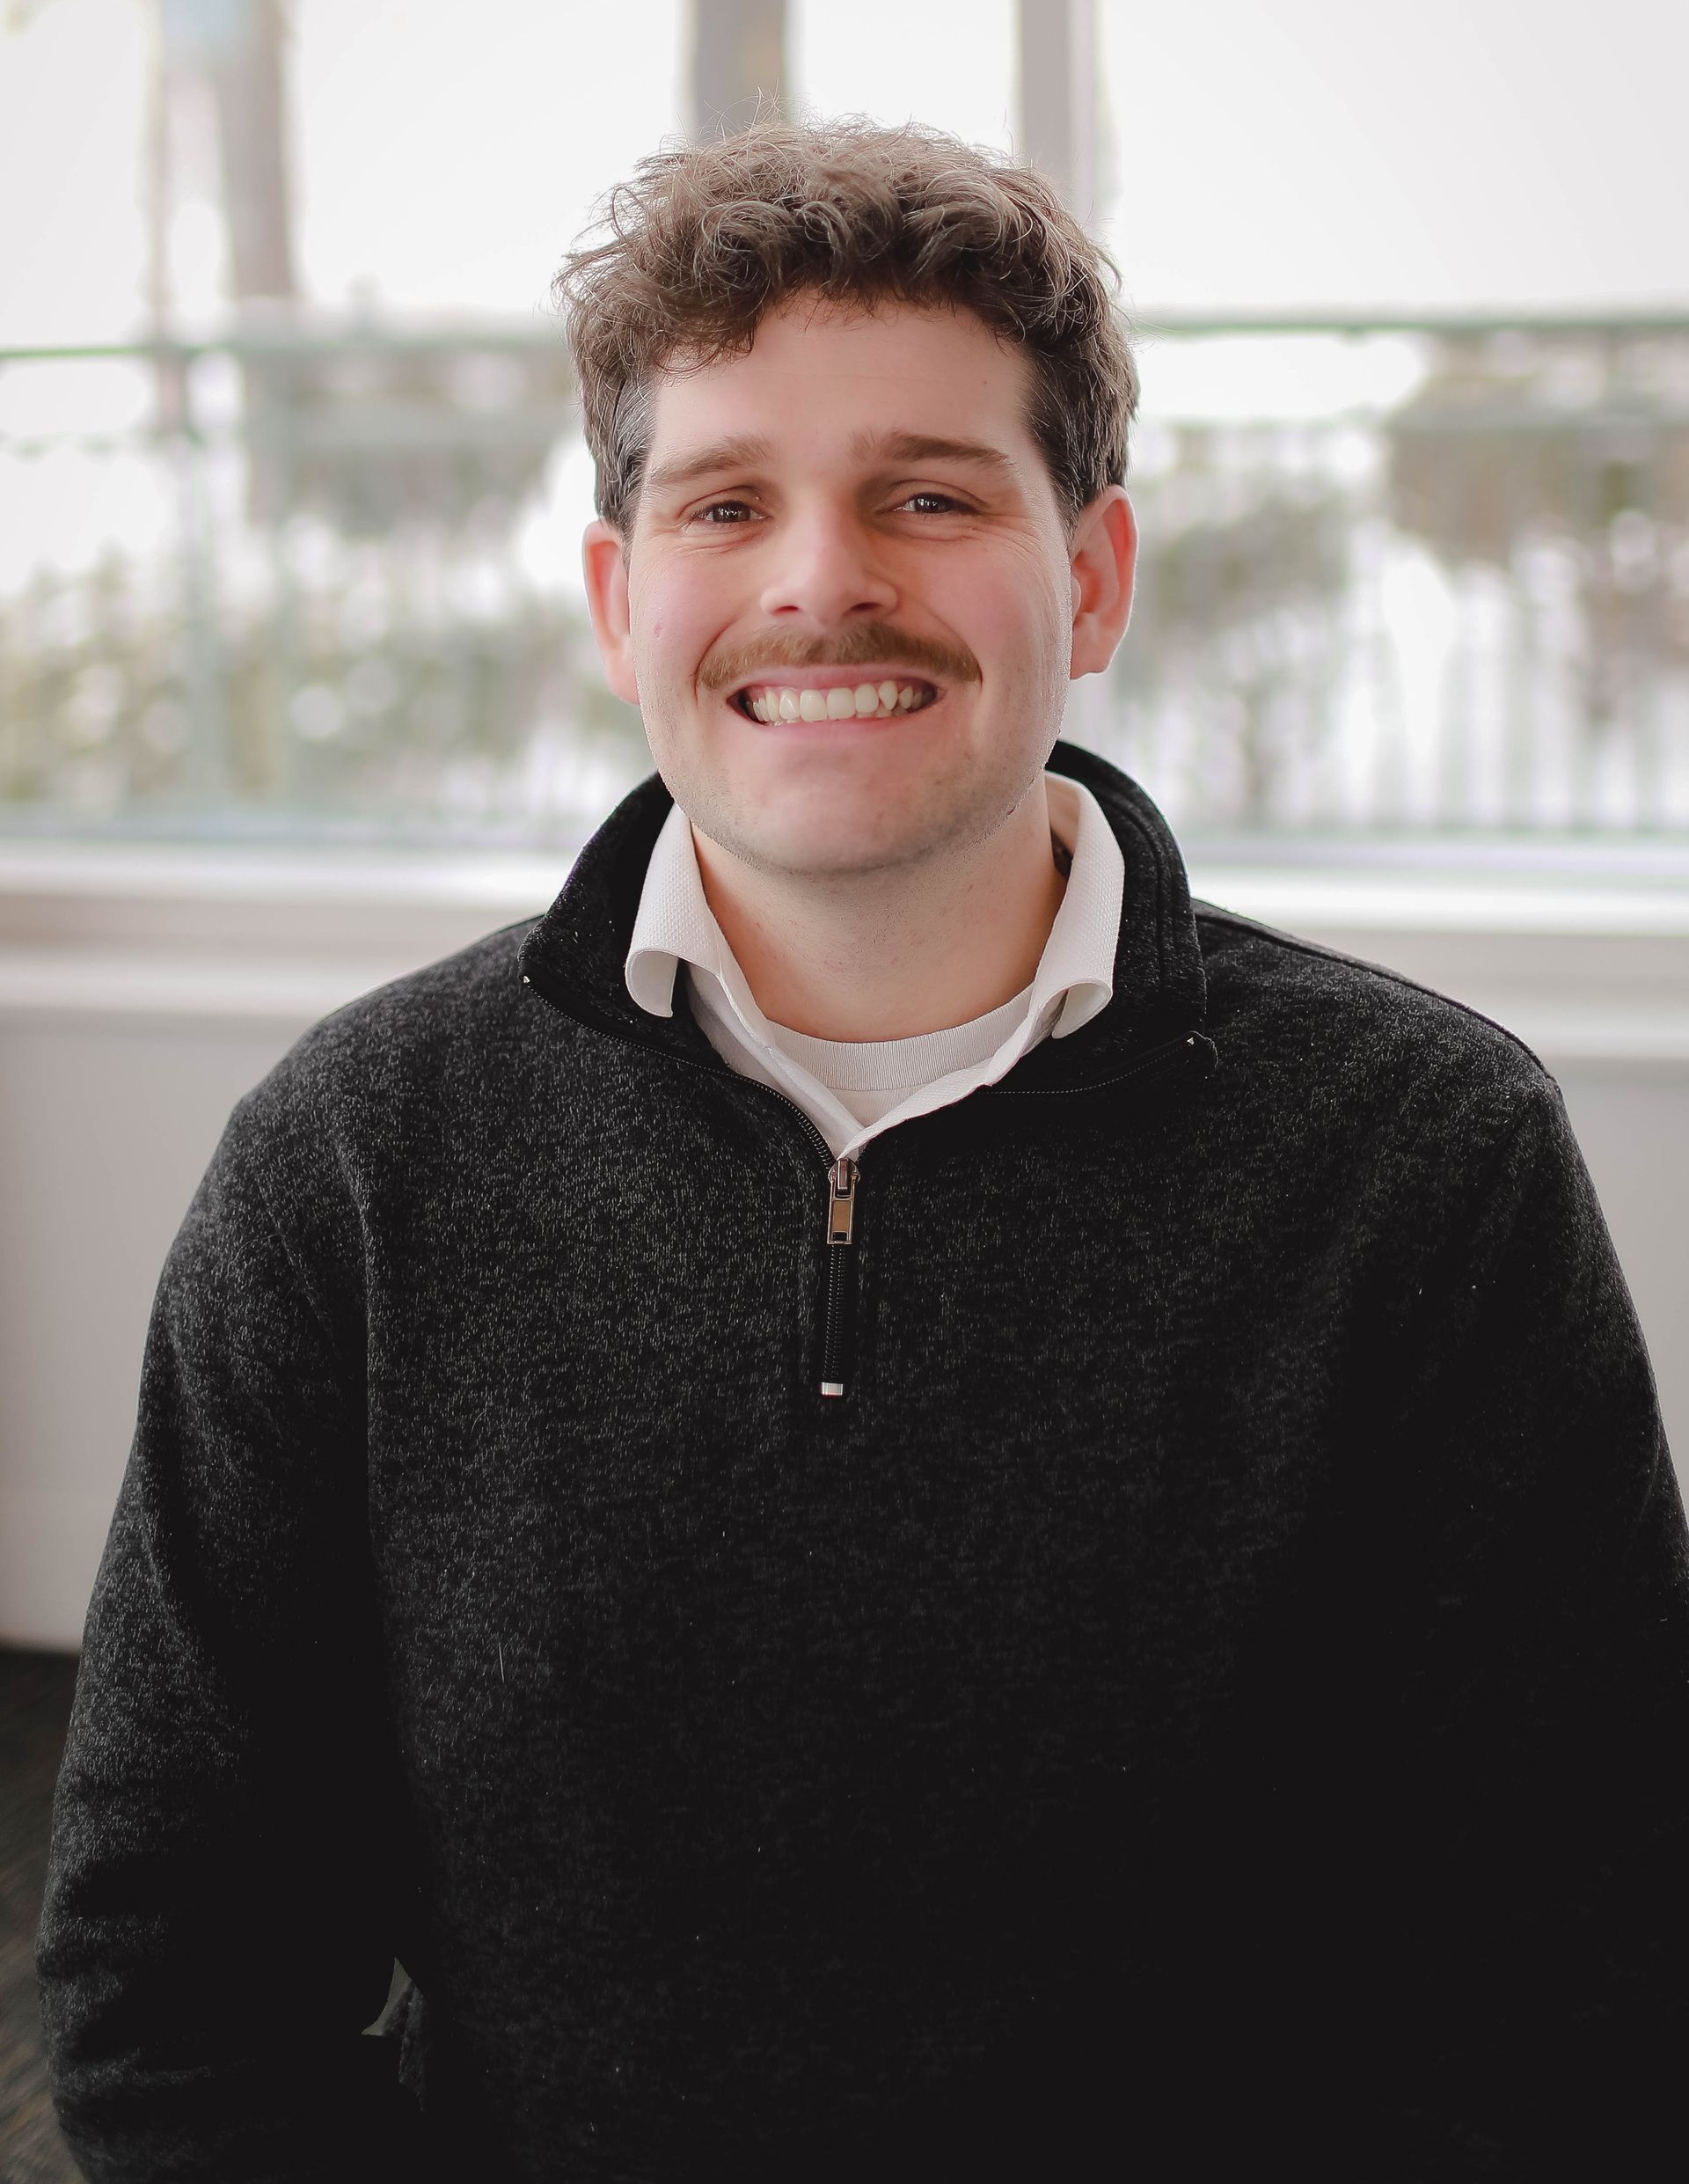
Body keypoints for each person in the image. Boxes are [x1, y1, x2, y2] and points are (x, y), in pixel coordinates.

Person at [38, 121, 1689, 2180]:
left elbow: (1584, 1966)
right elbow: (174, 1983)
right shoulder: (357, 1161)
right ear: (620, 599)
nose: (821, 580)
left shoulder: (1424, 1158)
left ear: (1093, 577)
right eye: (728, 503)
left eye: (929, 493)